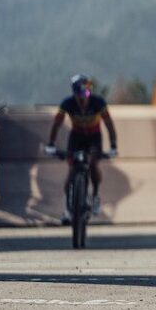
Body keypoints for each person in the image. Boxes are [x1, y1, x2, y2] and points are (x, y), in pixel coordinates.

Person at [45, 74, 118, 221]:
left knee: (93, 164)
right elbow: (57, 124)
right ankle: (68, 209)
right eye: (81, 94)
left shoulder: (98, 102)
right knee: (72, 170)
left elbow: (109, 124)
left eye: (87, 92)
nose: (84, 98)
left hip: (94, 137)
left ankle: (95, 196)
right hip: (76, 137)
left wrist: (113, 145)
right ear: (75, 94)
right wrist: (51, 144)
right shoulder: (68, 103)